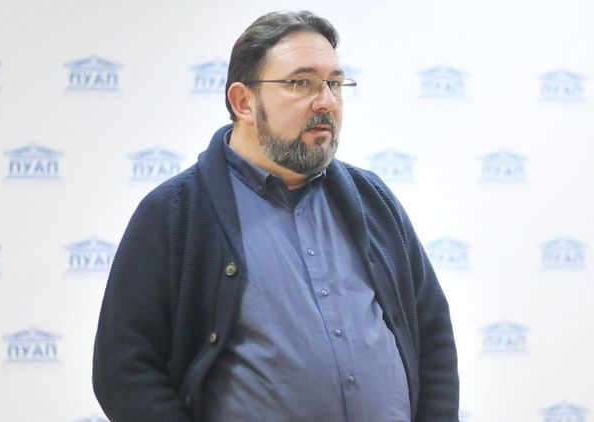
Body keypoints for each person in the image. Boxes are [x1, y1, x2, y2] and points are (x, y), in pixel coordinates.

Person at [93, 10, 459, 422]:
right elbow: (124, 370)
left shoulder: (372, 200)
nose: (326, 101)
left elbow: (432, 335)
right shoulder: (176, 213)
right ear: (243, 102)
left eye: (335, 84)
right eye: (302, 83)